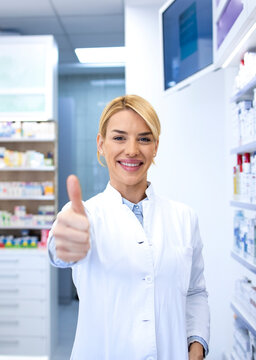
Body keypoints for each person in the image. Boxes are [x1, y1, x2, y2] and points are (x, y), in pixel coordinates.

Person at [48, 95, 210, 360]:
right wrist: (66, 244)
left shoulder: (184, 218)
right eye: (119, 138)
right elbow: (60, 250)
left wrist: (197, 346)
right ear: (101, 144)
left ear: (156, 146)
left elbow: (195, 291)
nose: (132, 150)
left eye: (144, 139)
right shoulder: (82, 215)